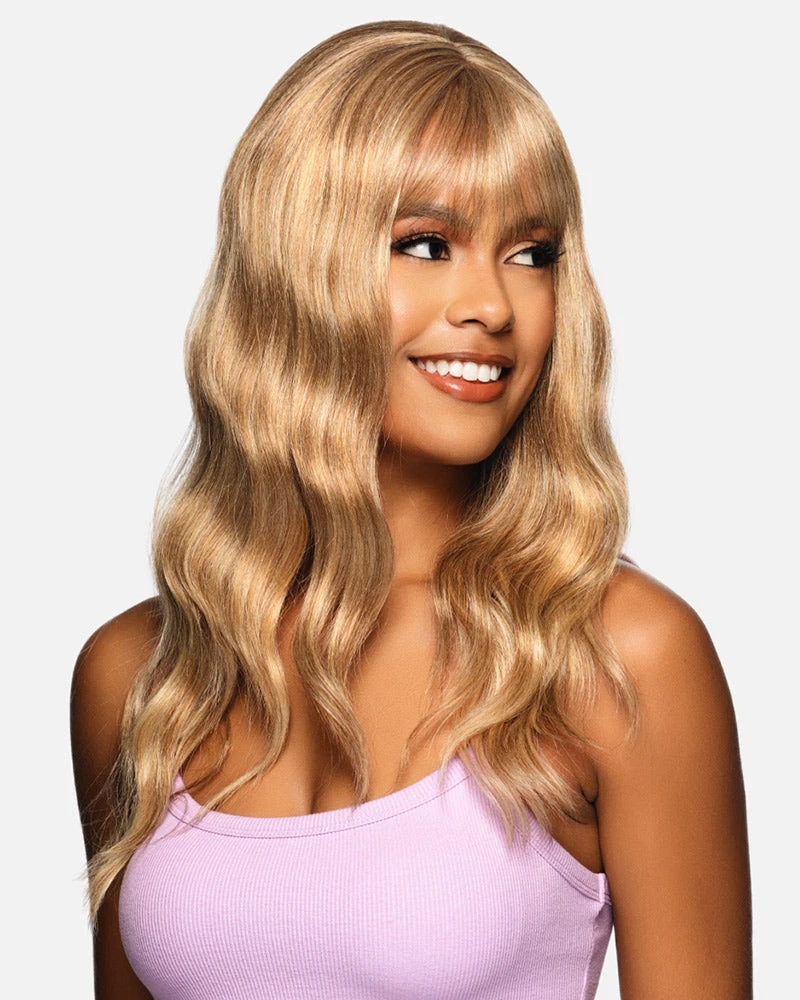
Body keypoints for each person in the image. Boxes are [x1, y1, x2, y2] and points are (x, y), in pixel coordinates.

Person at [70, 20, 752, 1000]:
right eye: (426, 244)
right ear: (295, 268)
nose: (493, 305)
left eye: (532, 253)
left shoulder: (616, 656)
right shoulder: (141, 677)